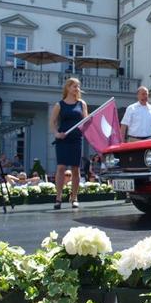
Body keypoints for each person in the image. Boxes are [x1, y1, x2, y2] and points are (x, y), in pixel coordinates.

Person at [50, 77, 88, 210]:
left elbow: (85, 121)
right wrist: (56, 134)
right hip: (63, 139)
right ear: (68, 88)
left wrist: (88, 121)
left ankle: (74, 197)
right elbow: (52, 122)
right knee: (61, 168)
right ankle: (58, 197)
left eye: (78, 86)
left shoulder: (82, 104)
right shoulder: (59, 105)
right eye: (74, 86)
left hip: (76, 139)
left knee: (76, 169)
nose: (77, 89)